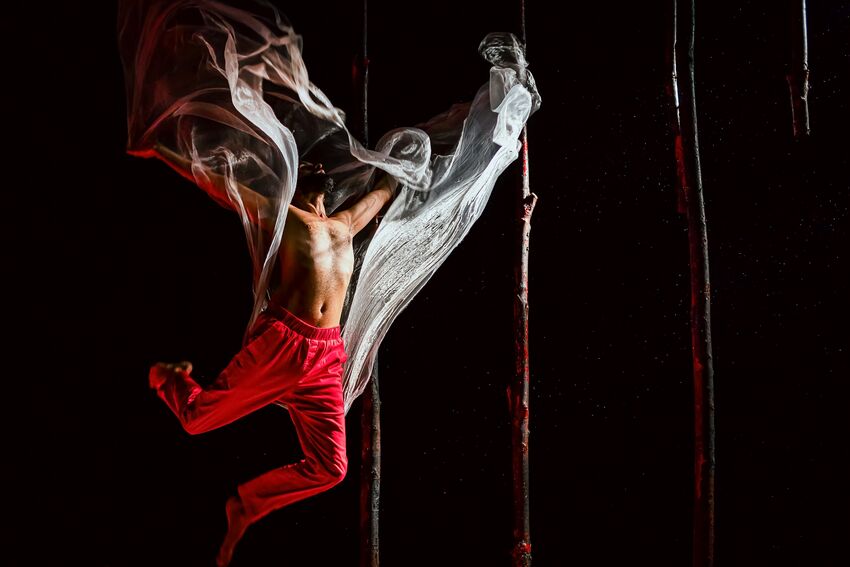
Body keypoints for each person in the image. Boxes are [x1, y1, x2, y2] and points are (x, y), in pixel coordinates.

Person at [147, 145, 396, 565]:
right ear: (293, 184)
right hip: (283, 345)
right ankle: (168, 377)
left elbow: (386, 191)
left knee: (332, 468)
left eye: (320, 162)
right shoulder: (284, 216)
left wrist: (407, 163)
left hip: (326, 357)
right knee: (195, 421)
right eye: (308, 164)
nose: (318, 165)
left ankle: (246, 505)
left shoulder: (344, 224)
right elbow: (218, 182)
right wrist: (161, 150)